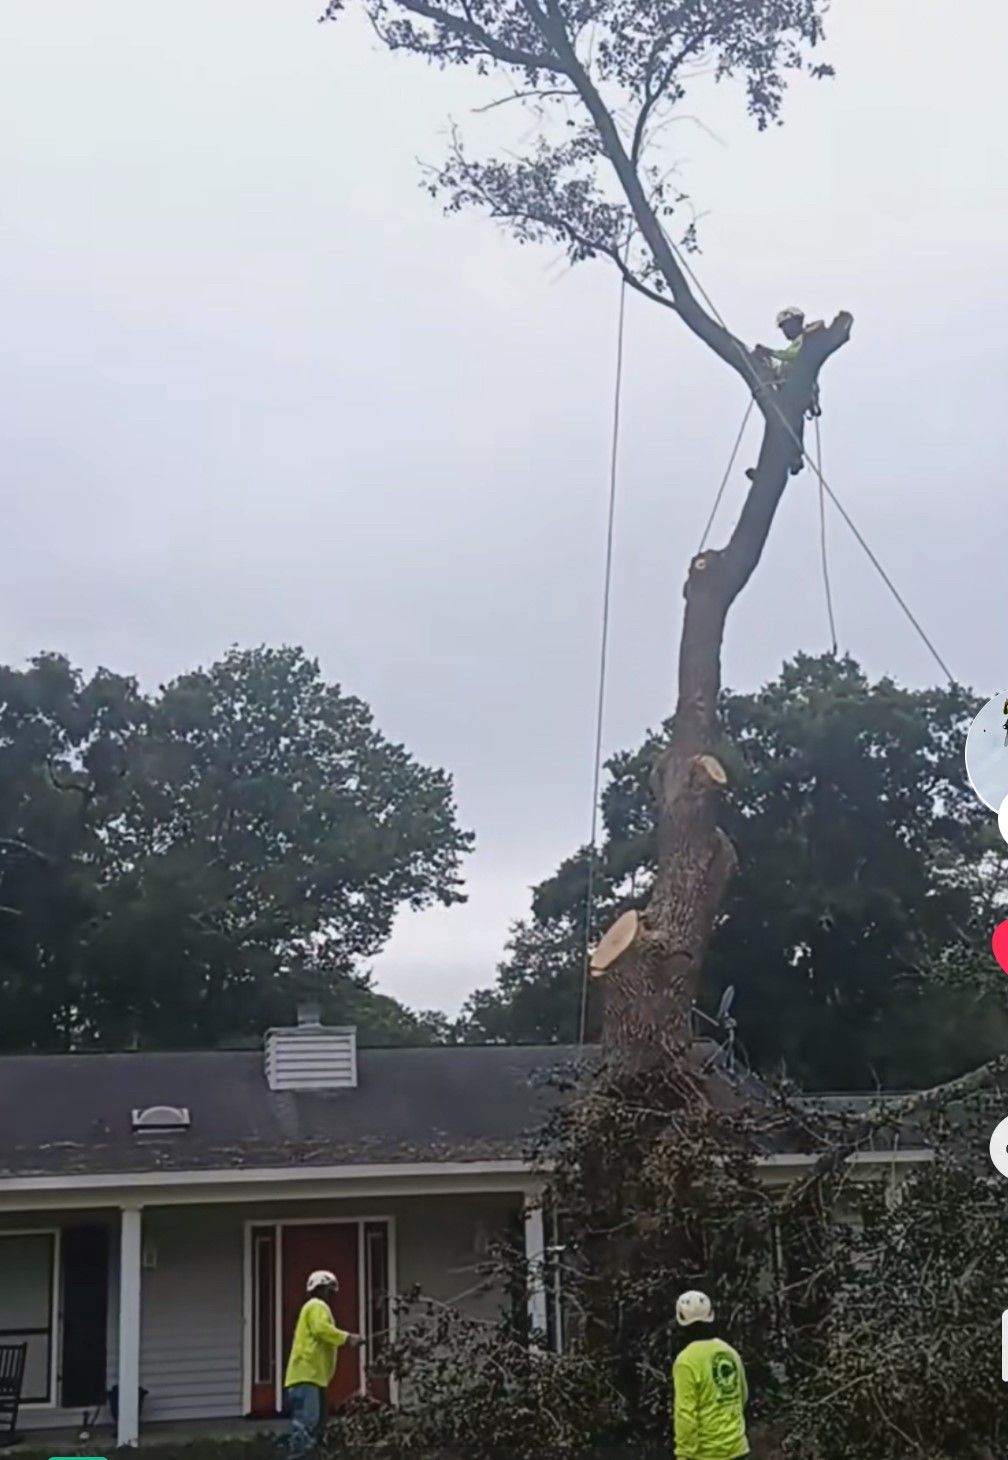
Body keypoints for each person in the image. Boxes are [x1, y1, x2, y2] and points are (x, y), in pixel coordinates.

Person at [284, 1268, 363, 1457]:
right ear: (320, 1289)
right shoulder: (316, 1306)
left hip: (312, 1378)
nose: (331, 1295)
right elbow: (321, 1329)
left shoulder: (312, 1307)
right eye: (329, 1290)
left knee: (313, 1427)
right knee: (306, 1427)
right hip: (307, 1377)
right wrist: (347, 1337)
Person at [670, 1289, 749, 1460]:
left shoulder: (686, 1361)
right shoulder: (730, 1352)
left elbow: (685, 1413)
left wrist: (684, 1454)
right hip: (738, 1449)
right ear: (711, 1315)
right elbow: (742, 1395)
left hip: (705, 1454)